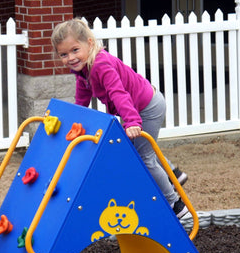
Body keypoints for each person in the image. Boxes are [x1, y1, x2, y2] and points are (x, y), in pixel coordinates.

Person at [51, 18, 189, 217]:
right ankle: (173, 173)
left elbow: (118, 93)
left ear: (89, 44)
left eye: (75, 50)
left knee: (143, 156)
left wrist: (132, 121)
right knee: (142, 149)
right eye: (63, 54)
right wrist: (74, 119)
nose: (70, 58)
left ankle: (176, 205)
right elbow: (82, 98)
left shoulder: (100, 65)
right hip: (137, 106)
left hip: (147, 107)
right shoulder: (82, 69)